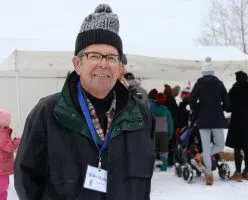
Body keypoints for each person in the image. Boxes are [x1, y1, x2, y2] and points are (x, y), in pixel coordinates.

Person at [14, 4, 155, 200]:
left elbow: (143, 186)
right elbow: (28, 181)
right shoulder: (47, 113)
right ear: (77, 64)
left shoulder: (141, 115)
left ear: (120, 67)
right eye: (94, 55)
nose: (103, 63)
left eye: (112, 57)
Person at [189, 56, 230, 186]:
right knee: (220, 145)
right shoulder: (219, 83)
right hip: (217, 118)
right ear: (212, 72)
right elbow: (227, 101)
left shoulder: (199, 83)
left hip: (203, 119)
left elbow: (191, 101)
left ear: (203, 72)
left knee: (206, 148)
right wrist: (221, 107)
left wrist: (198, 110)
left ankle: (208, 176)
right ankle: (207, 172)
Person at [225, 71, 248, 182]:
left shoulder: (234, 90)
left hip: (236, 121)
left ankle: (238, 172)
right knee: (246, 148)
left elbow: (228, 107)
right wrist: (247, 109)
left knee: (237, 148)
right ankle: (246, 172)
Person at [0, 109, 20, 200]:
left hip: (2, 168)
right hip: (1, 170)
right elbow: (9, 147)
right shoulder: (2, 134)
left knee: (4, 191)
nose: (10, 122)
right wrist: (17, 141)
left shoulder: (3, 133)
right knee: (3, 188)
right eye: (9, 120)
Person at [151, 93, 174, 171]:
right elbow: (170, 123)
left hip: (154, 133)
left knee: (153, 150)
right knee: (163, 151)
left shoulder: (152, 111)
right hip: (164, 133)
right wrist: (170, 134)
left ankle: (151, 167)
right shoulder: (166, 111)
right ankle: (163, 167)